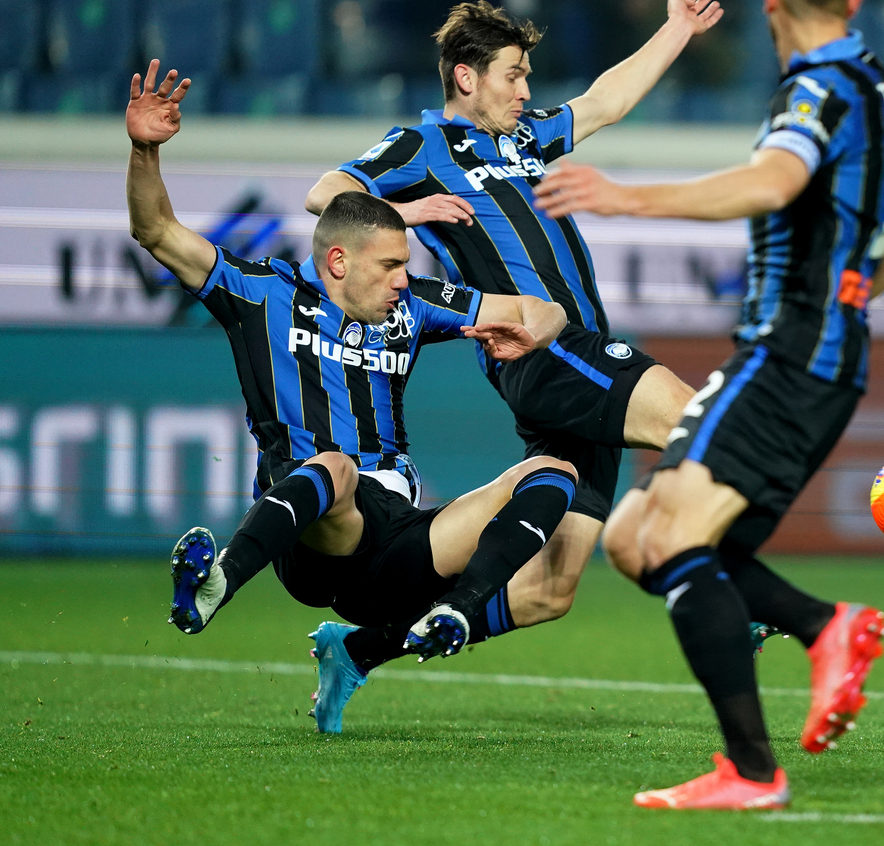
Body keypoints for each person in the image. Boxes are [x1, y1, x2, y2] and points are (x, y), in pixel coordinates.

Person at [532, 0, 884, 810]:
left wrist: (627, 197)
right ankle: (820, 633)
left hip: (788, 350)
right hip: (820, 353)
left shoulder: (817, 88)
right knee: (641, 536)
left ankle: (755, 764)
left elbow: (773, 182)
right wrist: (852, 300)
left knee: (657, 538)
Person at [126, 59, 591, 734]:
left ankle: (451, 612)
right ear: (338, 261)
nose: (406, 279)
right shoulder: (261, 293)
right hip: (314, 533)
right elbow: (156, 231)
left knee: (554, 473)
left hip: (394, 539)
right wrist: (145, 151)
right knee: (337, 468)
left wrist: (527, 328)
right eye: (391, 265)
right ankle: (218, 579)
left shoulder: (415, 306)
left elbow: (539, 309)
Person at [302, 0, 724, 640]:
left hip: (573, 356)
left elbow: (605, 102)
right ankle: (725, 588)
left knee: (547, 590)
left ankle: (360, 649)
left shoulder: (525, 138)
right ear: (466, 77)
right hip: (543, 350)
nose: (526, 89)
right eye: (514, 74)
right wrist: (404, 213)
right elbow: (327, 191)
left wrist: (675, 30)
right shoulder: (421, 146)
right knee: (689, 417)